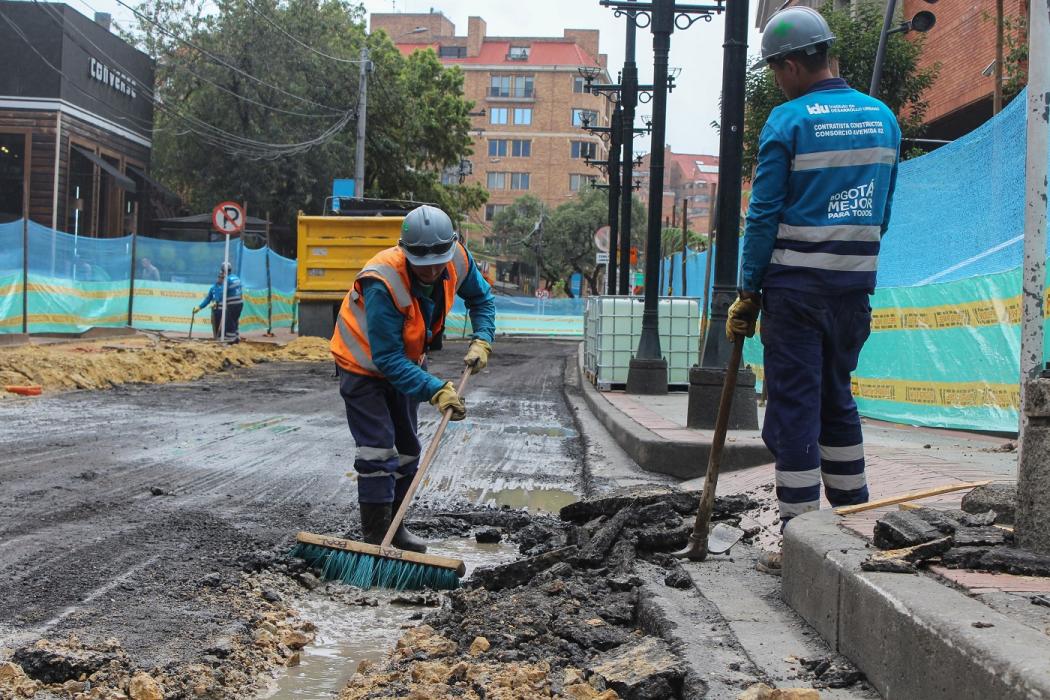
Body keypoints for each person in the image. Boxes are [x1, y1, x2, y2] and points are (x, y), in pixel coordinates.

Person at [726, 6, 901, 574]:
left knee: (795, 409)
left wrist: (748, 289)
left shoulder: (789, 121)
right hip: (853, 291)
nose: (779, 80)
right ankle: (851, 523)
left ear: (794, 64)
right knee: (837, 398)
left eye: (777, 69)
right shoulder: (883, 119)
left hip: (795, 291)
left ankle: (799, 542)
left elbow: (763, 215)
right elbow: (884, 210)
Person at [330, 205, 495, 553]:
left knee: (407, 448)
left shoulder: (458, 261)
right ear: (406, 252)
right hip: (362, 367)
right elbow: (386, 358)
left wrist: (483, 338)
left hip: (405, 364)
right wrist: (434, 389)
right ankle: (375, 538)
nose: (433, 270)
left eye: (439, 261)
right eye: (423, 263)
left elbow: (482, 298)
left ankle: (395, 529)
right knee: (377, 447)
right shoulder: (382, 280)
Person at [193, 262, 243, 342]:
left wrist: (216, 301)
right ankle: (224, 339)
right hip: (217, 312)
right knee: (218, 329)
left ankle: (231, 339)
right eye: (219, 277)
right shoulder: (213, 288)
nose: (221, 278)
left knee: (229, 325)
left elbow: (223, 294)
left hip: (225, 310)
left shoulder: (227, 282)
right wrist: (200, 307)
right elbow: (208, 299)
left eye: (222, 277)